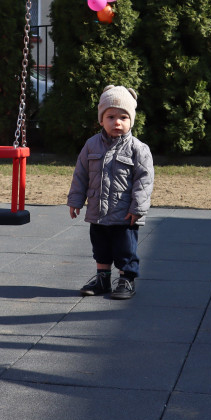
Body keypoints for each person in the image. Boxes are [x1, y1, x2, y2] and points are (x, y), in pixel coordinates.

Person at [68, 85, 154, 300]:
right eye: (111, 116)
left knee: (125, 249)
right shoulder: (91, 145)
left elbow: (144, 181)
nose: (117, 122)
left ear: (131, 121)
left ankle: (126, 280)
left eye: (123, 117)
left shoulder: (138, 148)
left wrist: (138, 209)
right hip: (98, 211)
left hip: (125, 213)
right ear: (101, 120)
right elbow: (81, 174)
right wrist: (76, 200)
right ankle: (102, 278)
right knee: (101, 248)